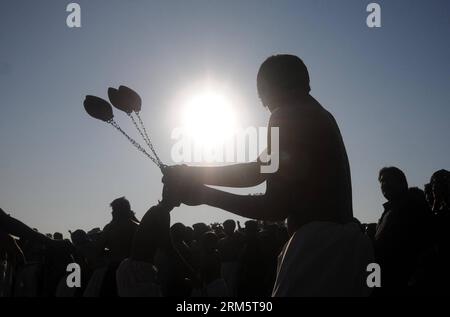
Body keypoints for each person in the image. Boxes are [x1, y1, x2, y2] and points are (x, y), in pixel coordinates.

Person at [163, 54, 373, 296]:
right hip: (344, 251)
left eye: (260, 94)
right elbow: (256, 170)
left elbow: (274, 207)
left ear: (268, 88)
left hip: (317, 250)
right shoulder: (316, 115)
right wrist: (192, 174)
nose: (263, 103)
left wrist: (202, 194)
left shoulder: (285, 115)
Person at [374, 167, 431, 295]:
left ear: (402, 182)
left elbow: (426, 244)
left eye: (389, 180)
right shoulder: (387, 212)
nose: (384, 184)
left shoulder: (414, 206)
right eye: (382, 181)